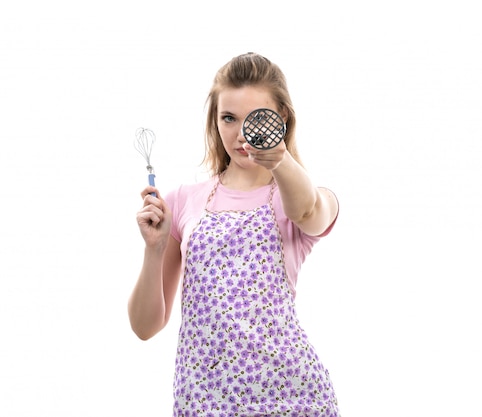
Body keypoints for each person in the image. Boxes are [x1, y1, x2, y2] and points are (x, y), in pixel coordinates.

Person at [128, 52, 341, 417]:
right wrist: (155, 247)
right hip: (205, 403)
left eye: (257, 119)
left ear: (282, 119)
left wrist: (279, 157)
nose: (242, 135)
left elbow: (309, 212)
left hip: (292, 401)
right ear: (215, 119)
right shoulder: (183, 202)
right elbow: (145, 327)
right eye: (229, 118)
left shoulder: (300, 196)